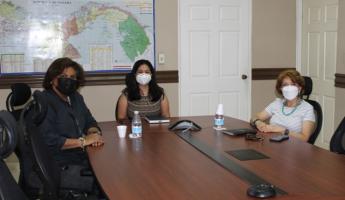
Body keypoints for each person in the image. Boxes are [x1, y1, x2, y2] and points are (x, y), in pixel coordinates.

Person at [39, 57, 104, 167]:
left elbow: (89, 121)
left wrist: (93, 134)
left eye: (72, 77)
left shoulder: (76, 97)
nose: (68, 80)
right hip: (59, 164)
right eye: (63, 76)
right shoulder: (45, 102)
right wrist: (83, 141)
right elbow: (50, 140)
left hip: (79, 156)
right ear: (52, 79)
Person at [251, 69, 315, 142]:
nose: (289, 88)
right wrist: (258, 122)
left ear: (299, 88)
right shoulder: (276, 103)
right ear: (281, 89)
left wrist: (282, 130)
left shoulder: (307, 108)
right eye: (285, 85)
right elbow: (254, 118)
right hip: (273, 143)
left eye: (293, 84)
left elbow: (304, 138)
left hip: (295, 148)